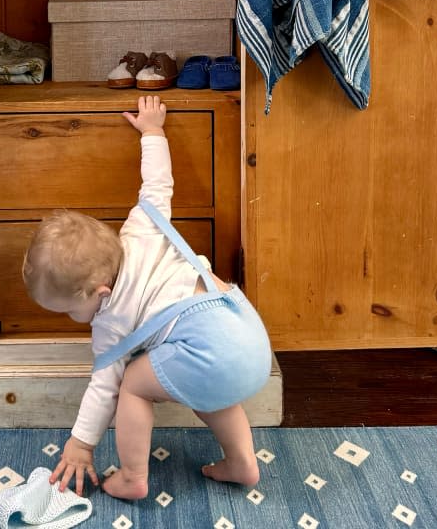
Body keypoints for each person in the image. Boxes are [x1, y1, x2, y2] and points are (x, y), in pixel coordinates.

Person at [21, 94, 272, 501]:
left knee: (131, 384)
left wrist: (82, 443)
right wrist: (153, 131)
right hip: (246, 334)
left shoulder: (110, 322)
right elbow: (157, 182)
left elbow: (103, 388)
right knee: (206, 386)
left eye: (69, 309)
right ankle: (242, 462)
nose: (70, 318)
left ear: (99, 293)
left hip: (209, 345)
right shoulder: (143, 225)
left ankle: (133, 476)